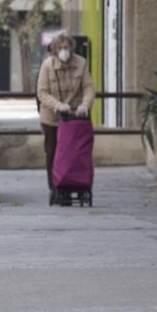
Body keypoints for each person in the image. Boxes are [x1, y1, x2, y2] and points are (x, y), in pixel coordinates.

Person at [36, 32, 95, 206]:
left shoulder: (81, 63)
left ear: (72, 48)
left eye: (67, 47)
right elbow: (42, 92)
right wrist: (57, 105)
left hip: (75, 116)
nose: (64, 51)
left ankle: (76, 183)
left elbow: (89, 88)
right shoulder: (47, 65)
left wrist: (85, 105)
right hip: (52, 118)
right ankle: (55, 186)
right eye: (60, 48)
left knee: (76, 152)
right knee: (53, 152)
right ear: (55, 50)